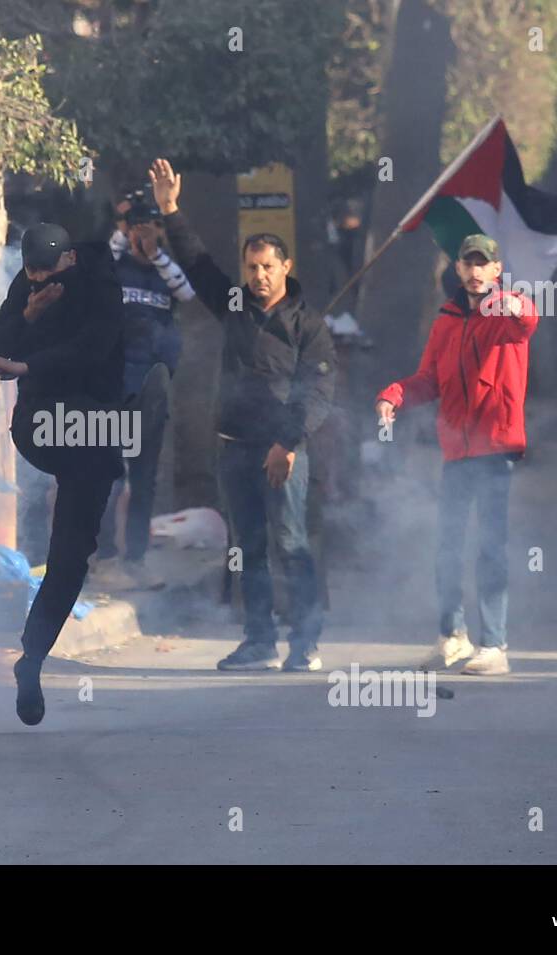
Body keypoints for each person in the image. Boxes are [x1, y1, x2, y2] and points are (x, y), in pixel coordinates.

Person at [150, 157, 336, 673]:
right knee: (247, 546)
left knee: (291, 542)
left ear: (285, 268)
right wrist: (170, 209)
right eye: (251, 267)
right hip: (235, 445)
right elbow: (197, 263)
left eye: (266, 268)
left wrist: (287, 444)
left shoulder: (310, 327)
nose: (257, 276)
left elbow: (317, 392)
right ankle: (258, 640)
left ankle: (305, 641)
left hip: (286, 453)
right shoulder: (232, 304)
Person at [375, 234, 539, 677]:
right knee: (447, 546)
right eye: (467, 264)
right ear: (459, 269)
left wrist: (511, 303)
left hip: (496, 449)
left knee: (490, 548)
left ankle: (495, 645)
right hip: (456, 451)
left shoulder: (506, 314)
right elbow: (429, 379)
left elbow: (527, 320)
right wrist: (394, 395)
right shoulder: (447, 319)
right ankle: (453, 636)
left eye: (483, 263)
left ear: (496, 269)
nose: (474, 271)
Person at [0, 222, 125, 725]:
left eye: (45, 275)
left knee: (69, 556)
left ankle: (33, 658)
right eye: (30, 276)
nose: (37, 283)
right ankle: (35, 650)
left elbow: (95, 349)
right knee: (68, 540)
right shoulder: (31, 282)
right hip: (42, 427)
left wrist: (27, 365)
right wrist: (25, 315)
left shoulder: (102, 286)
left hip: (93, 424)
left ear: (68, 260)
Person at [92, 192, 196, 590]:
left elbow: (186, 293)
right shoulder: (110, 267)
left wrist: (154, 250)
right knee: (110, 477)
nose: (141, 232)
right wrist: (123, 230)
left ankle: (136, 559)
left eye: (148, 225)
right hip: (112, 387)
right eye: (135, 225)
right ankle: (106, 560)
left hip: (153, 390)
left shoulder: (163, 272)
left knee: (145, 478)